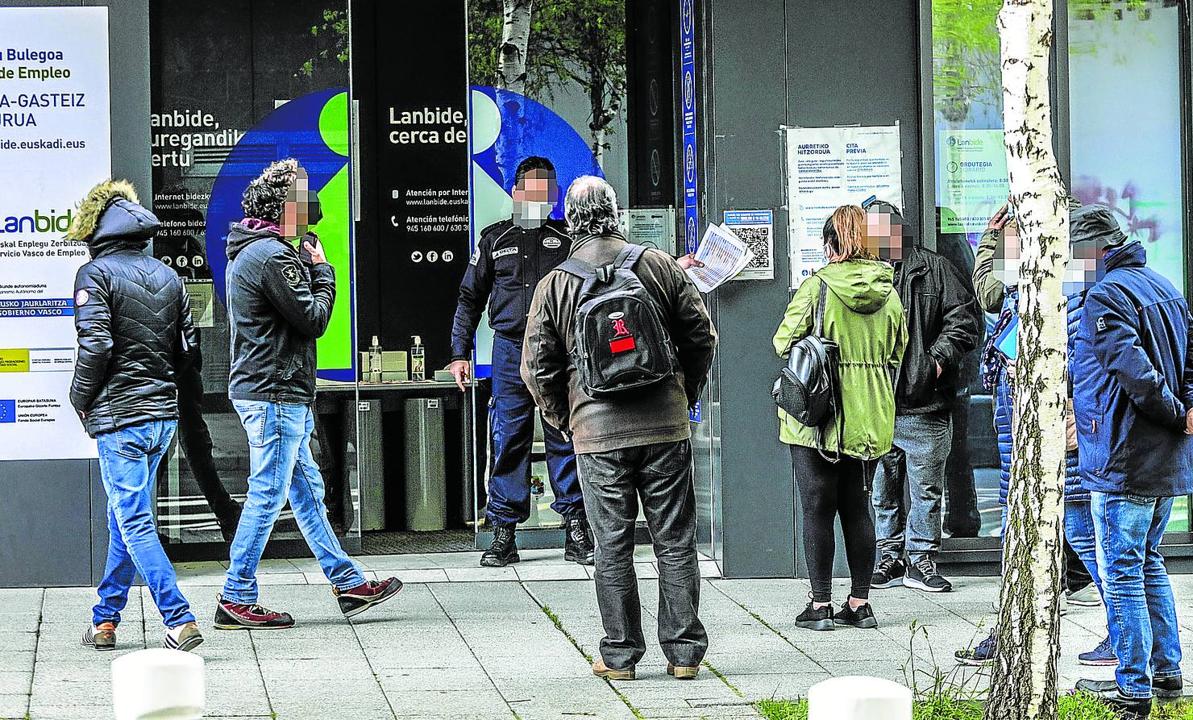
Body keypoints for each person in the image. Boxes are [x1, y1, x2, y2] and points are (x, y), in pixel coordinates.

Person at [521, 176, 717, 680]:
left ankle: (621, 656)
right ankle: (684, 654)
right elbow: (702, 337)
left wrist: (563, 419)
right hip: (664, 426)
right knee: (674, 540)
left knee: (612, 544)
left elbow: (536, 366)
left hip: (596, 433)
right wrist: (683, 392)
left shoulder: (556, 284)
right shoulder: (659, 265)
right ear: (616, 214)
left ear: (570, 222)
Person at [217, 159, 401, 629]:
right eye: (303, 196)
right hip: (275, 390)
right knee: (268, 493)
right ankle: (235, 596)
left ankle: (348, 582)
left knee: (306, 493)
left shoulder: (252, 252)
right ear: (284, 206)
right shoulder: (272, 256)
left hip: (272, 387)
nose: (311, 204)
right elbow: (314, 318)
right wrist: (323, 271)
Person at [955, 202, 1110, 667]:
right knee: (1017, 532)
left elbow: (1088, 359)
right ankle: (1011, 630)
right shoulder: (1026, 279)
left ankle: (1126, 636)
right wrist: (991, 241)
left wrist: (1078, 416)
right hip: (1017, 421)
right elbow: (990, 291)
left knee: (1084, 532)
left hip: (1057, 424)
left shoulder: (1074, 284)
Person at [67, 179, 203, 652]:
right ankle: (105, 619)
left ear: (95, 231)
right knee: (124, 517)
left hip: (120, 416)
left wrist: (79, 398)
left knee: (134, 521)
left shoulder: (96, 275)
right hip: (162, 415)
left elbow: (97, 345)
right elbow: (189, 350)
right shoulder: (168, 276)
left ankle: (178, 617)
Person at [1071, 205, 1191, 720]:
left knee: (1120, 572)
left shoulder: (1105, 294)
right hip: (1159, 457)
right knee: (1149, 563)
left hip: (1124, 455)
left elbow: (1135, 373)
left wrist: (1171, 410)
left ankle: (1133, 689)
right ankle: (1167, 673)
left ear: (1096, 250)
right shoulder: (1163, 284)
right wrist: (1186, 410)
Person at [449, 156, 594, 568]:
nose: (538, 197)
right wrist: (459, 353)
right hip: (510, 349)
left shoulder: (568, 239)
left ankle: (576, 529)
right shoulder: (494, 239)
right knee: (507, 439)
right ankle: (504, 532)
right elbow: (469, 299)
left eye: (545, 190)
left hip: (560, 350)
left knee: (563, 437)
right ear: (515, 193)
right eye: (530, 190)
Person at [774, 205, 907, 631]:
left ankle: (819, 606)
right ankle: (860, 603)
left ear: (831, 244)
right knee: (857, 506)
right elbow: (897, 351)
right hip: (869, 413)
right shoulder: (890, 291)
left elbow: (783, 341)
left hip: (820, 413)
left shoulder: (818, 287)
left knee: (816, 507)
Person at [867, 200, 979, 594]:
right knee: (882, 487)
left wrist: (934, 363)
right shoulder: (863, 275)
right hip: (877, 404)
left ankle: (921, 560)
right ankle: (888, 556)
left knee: (927, 488)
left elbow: (965, 319)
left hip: (924, 400)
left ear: (900, 231)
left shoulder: (935, 269)